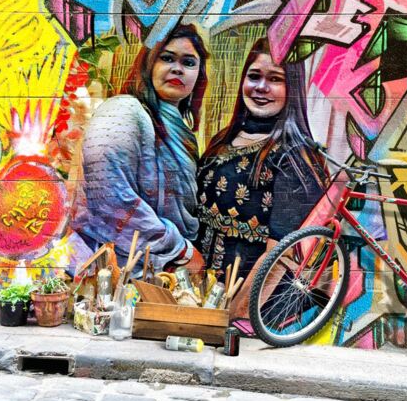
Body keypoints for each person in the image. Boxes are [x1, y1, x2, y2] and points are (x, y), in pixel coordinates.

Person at [73, 24, 209, 277]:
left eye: (189, 62)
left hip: (161, 273)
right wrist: (181, 251)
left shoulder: (183, 134)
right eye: (167, 58)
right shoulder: (124, 110)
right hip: (112, 274)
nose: (177, 68)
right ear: (149, 64)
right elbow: (109, 196)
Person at [195, 38, 327, 289]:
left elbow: (278, 259)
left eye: (275, 79)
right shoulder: (222, 140)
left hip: (251, 304)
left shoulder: (296, 158)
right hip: (200, 296)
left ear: (292, 87)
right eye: (254, 76)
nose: (261, 87)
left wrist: (239, 309)